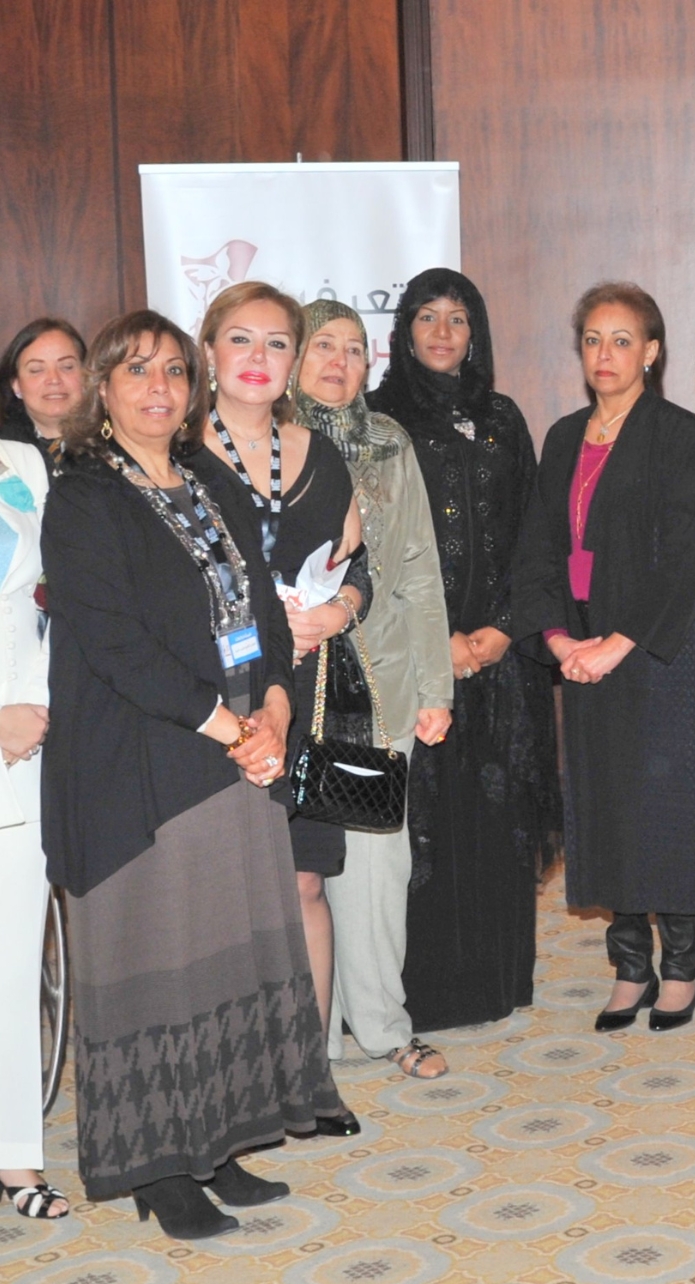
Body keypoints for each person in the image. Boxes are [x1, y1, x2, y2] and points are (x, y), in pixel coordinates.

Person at [43, 311, 343, 1239]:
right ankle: (158, 1170)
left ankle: (215, 1144)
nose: (160, 387)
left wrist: (280, 710)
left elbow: (264, 601)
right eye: (137, 371)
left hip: (234, 752)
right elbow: (117, 644)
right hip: (140, 765)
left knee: (223, 961)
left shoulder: (210, 479)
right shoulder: (87, 495)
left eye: (174, 370)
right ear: (105, 387)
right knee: (153, 967)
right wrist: (231, 727)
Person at [512, 283, 695, 1032]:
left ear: (652, 351)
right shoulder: (565, 436)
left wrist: (619, 644)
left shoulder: (679, 435)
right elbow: (538, 547)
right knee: (607, 809)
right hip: (583, 651)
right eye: (594, 340)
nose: (606, 354)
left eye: (622, 339)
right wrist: (562, 641)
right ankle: (628, 965)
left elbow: (691, 556)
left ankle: (680, 967)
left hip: (660, 654)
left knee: (666, 807)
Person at [195, 284, 370, 1116]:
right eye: (241, 340)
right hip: (210, 701)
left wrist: (340, 610)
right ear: (208, 354)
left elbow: (359, 567)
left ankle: (312, 1071)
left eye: (276, 344)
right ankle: (235, 1078)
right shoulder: (177, 455)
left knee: (304, 884)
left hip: (308, 688)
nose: (259, 359)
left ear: (295, 361)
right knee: (225, 894)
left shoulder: (322, 455)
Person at [370, 269, 559, 1032]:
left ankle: (498, 979)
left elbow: (533, 533)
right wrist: (438, 638)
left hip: (500, 656)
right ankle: (429, 992)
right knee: (427, 823)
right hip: (420, 656)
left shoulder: (504, 417)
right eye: (427, 317)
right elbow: (377, 546)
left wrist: (504, 628)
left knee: (496, 812)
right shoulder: (380, 420)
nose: (443, 332)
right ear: (405, 330)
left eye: (458, 319)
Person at [293, 299, 456, 1081]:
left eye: (354, 348)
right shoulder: (259, 442)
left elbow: (421, 568)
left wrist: (436, 686)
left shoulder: (387, 442)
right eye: (322, 344)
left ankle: (387, 1027)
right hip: (284, 689)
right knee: (298, 871)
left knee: (374, 866)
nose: (338, 361)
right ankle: (310, 1042)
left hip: (379, 682)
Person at [0, 432, 60, 1219]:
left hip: (26, 740)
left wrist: (35, 702)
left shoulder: (23, 460)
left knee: (16, 956)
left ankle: (16, 1154)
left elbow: (56, 593)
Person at [1, 319, 86, 461]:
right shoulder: (4, 448)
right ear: (16, 384)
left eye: (67, 367)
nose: (54, 379)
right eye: (36, 370)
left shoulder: (115, 442)